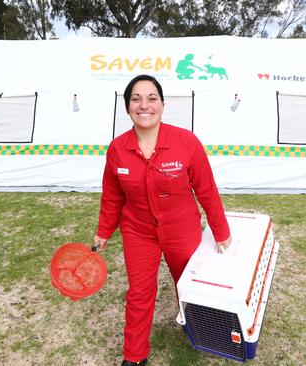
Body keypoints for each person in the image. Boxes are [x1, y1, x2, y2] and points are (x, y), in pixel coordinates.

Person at [92, 74, 231, 366]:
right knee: (140, 293)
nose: (144, 105)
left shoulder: (186, 143)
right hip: (138, 231)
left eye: (151, 98)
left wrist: (220, 230)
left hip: (182, 229)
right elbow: (112, 196)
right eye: (136, 99)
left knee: (189, 285)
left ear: (163, 105)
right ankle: (134, 355)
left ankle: (195, 327)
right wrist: (104, 231)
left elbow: (206, 190)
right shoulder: (118, 149)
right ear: (128, 106)